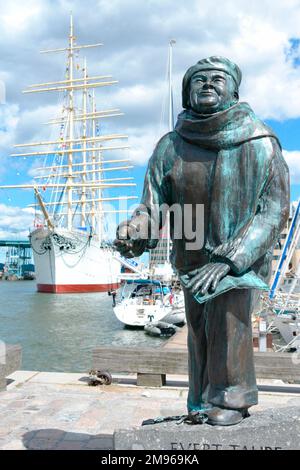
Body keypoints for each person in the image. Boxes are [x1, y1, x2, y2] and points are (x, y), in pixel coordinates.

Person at [115, 56, 289, 426]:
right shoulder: (170, 147)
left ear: (234, 90)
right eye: (199, 80)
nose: (207, 85)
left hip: (235, 261)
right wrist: (136, 231)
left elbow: (274, 211)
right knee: (199, 335)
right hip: (191, 259)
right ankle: (202, 403)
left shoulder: (260, 141)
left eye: (216, 79)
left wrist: (230, 259)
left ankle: (233, 399)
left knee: (229, 324)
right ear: (186, 93)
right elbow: (153, 207)